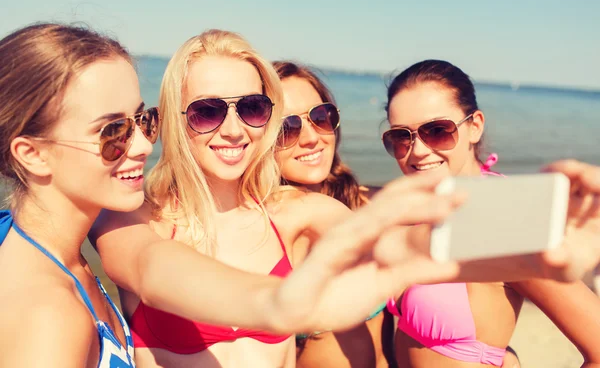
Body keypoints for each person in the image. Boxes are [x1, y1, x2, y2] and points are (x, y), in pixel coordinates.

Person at [90, 30, 472, 368]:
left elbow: (408, 244)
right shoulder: (131, 219)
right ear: (175, 118)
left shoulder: (297, 213)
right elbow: (155, 271)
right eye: (208, 112)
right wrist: (281, 303)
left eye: (252, 108)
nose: (235, 131)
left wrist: (521, 226)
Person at [381, 59, 600, 367]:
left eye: (437, 130)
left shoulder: (501, 221)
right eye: (401, 136)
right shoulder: (419, 208)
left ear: (475, 126)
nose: (416, 150)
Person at [0, 23, 160, 367]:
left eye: (143, 119)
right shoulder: (49, 316)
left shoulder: (33, 244)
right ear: (33, 154)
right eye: (113, 132)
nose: (146, 145)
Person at [273, 60, 394, 368]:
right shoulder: (268, 230)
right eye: (287, 127)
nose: (312, 137)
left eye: (320, 116)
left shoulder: (362, 203)